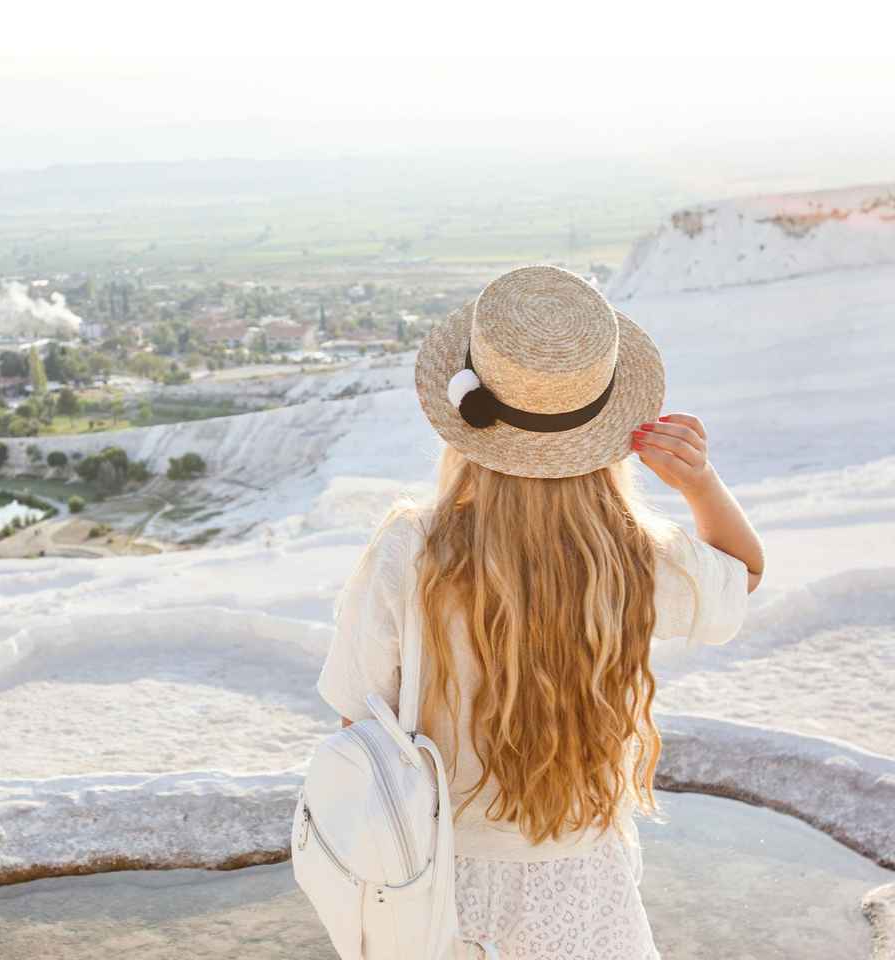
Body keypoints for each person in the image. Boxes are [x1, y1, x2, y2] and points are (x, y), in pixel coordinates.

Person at [315, 265, 764, 960]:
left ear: (465, 428)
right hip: (585, 881)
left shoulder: (412, 547)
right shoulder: (629, 554)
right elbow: (744, 576)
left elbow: (357, 719)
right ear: (604, 428)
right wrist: (701, 484)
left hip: (436, 880)